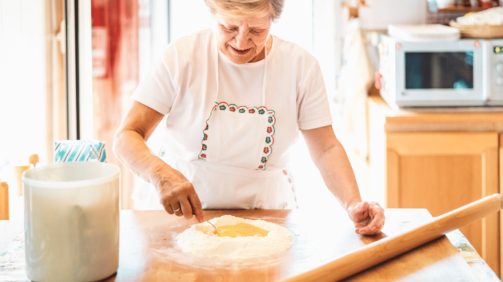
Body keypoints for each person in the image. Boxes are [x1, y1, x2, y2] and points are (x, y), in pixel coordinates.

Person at [113, 0, 385, 235]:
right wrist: (160, 174)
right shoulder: (181, 57)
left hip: (266, 218)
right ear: (212, 12)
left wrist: (353, 204)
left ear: (273, 18)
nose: (241, 41)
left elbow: (326, 148)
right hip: (179, 216)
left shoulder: (300, 67)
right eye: (229, 27)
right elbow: (127, 136)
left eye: (257, 30)